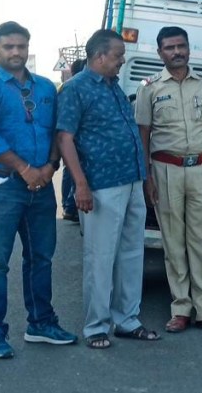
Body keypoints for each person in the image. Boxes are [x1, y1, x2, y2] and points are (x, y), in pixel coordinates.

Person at [0, 21, 78, 359]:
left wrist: (49, 167)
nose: (16, 52)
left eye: (21, 46)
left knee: (41, 257)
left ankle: (41, 323)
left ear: (28, 48)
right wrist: (25, 169)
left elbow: (58, 131)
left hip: (40, 186)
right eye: (8, 47)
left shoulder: (45, 88)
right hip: (1, 186)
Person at [56, 29, 159, 349]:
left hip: (131, 182)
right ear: (98, 56)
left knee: (131, 255)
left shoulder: (114, 87)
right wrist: (81, 186)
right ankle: (96, 326)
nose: (122, 61)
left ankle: (127, 319)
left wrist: (144, 178)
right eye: (117, 56)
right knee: (101, 258)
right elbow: (65, 138)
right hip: (101, 186)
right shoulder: (76, 89)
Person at [134, 26, 202, 335]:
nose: (177, 52)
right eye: (170, 47)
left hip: (201, 169)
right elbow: (143, 136)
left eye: (181, 46)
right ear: (160, 53)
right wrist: (146, 176)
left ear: (189, 48)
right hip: (165, 170)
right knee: (173, 242)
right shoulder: (148, 87)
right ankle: (180, 309)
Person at [60, 57, 86, 223]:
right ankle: (70, 206)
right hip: (72, 139)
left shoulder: (67, 85)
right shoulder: (72, 87)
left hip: (73, 138)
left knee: (69, 172)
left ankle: (69, 207)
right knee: (71, 172)